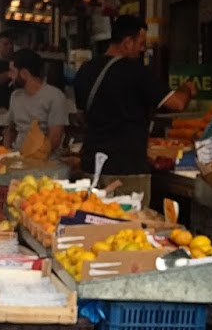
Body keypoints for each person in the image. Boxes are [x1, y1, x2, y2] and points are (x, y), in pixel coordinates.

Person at [72, 16, 195, 202]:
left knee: (95, 222)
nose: (142, 48)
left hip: (91, 165)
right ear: (127, 42)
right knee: (129, 226)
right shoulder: (135, 71)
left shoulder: (85, 70)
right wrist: (187, 89)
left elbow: (81, 117)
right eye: (140, 43)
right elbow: (177, 103)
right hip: (127, 169)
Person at [7, 48, 67, 153]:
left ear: (24, 73)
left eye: (12, 71)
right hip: (16, 157)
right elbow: (10, 130)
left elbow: (55, 139)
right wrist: (5, 153)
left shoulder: (55, 96)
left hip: (44, 160)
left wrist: (34, 157)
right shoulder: (15, 96)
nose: (9, 75)